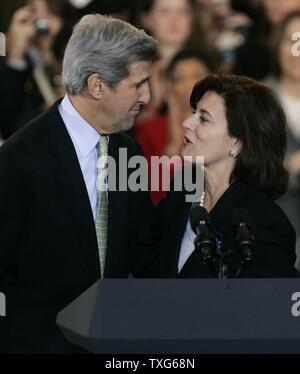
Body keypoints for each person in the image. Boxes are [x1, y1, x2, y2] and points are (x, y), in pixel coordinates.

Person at [0, 13, 158, 354]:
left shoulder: (128, 152)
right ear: (97, 85)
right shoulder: (19, 161)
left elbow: (145, 255)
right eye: (137, 84)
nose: (147, 96)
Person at [158, 73, 298, 278]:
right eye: (193, 112)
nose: (187, 123)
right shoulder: (184, 188)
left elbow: (265, 303)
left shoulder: (265, 222)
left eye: (203, 119)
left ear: (237, 141)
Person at [135, 50, 213, 203]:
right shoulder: (149, 129)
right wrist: (173, 146)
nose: (191, 84)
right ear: (169, 86)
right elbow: (154, 192)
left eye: (198, 76)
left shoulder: (226, 125)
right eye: (180, 79)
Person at [263, 11, 300, 271]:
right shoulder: (258, 101)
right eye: (290, 40)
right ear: (277, 46)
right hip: (277, 246)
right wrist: (292, 166)